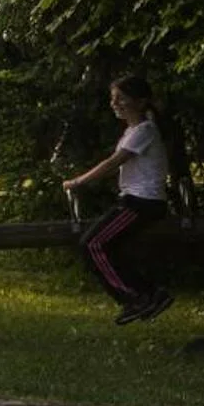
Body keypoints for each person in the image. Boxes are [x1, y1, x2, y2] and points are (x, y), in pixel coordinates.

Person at [63, 73, 175, 324]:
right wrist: (88, 181)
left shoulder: (144, 130)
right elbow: (115, 167)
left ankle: (136, 298)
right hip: (137, 200)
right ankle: (150, 294)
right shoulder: (132, 131)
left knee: (92, 244)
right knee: (103, 245)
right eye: (113, 99)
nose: (114, 103)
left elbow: (113, 162)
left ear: (141, 101)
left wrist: (79, 182)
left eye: (121, 98)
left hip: (142, 202)